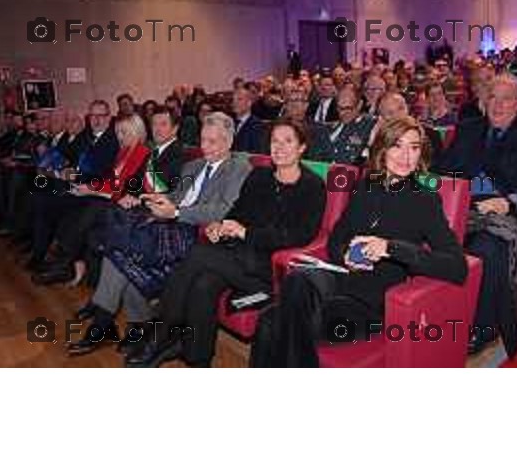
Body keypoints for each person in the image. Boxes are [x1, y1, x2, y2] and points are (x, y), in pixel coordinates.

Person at [251, 116, 466, 367]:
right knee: (297, 280)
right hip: (340, 280)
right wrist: (347, 256)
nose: (406, 155)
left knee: (271, 321)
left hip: (370, 306)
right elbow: (336, 240)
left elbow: (457, 267)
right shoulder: (366, 186)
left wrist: (391, 248)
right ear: (382, 149)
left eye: (414, 147)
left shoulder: (425, 201)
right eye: (397, 145)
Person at [126, 119, 327, 368]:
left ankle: (160, 334)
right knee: (204, 284)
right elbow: (237, 210)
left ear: (302, 147)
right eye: (275, 141)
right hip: (237, 255)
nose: (279, 147)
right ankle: (196, 355)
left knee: (198, 254)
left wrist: (246, 233)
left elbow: (300, 236)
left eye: (288, 141)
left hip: (268, 268)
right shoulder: (260, 175)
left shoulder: (312, 186)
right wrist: (220, 226)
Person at [66, 112, 252, 357]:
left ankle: (106, 325)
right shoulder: (194, 165)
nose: (204, 147)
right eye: (202, 140)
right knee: (122, 253)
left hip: (194, 234)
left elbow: (222, 208)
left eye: (212, 141)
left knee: (120, 250)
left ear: (228, 142)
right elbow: (177, 195)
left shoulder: (238, 167)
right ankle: (136, 326)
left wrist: (175, 211)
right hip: (167, 225)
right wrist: (161, 199)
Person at [435, 74, 517, 357]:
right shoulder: (469, 128)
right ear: (484, 100)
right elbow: (444, 169)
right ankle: (438, 315)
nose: (498, 104)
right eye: (493, 97)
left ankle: (483, 327)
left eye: (506, 98)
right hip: (470, 207)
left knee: (486, 248)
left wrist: (509, 202)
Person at [31, 113, 150, 285]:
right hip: (108, 197)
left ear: (138, 132)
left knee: (90, 208)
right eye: (118, 132)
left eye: (124, 132)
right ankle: (68, 262)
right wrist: (90, 188)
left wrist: (93, 191)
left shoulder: (143, 154)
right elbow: (110, 181)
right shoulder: (123, 153)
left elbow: (129, 190)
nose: (120, 137)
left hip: (122, 204)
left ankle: (64, 265)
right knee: (67, 200)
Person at [327, 85, 375, 165]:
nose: (342, 113)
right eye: (339, 108)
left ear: (359, 105)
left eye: (348, 108)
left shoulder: (370, 125)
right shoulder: (332, 127)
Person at [231, 86, 266, 153]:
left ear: (249, 103)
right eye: (233, 100)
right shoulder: (229, 123)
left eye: (239, 99)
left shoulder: (257, 125)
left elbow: (256, 152)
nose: (234, 103)